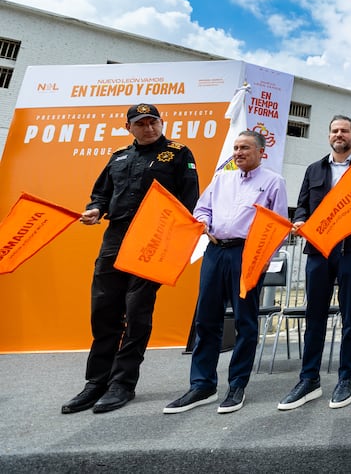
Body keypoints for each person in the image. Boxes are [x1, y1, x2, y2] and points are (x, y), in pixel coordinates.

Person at [62, 103, 200, 414]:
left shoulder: (178, 154)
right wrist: (96, 209)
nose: (149, 128)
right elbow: (101, 194)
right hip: (116, 237)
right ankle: (96, 382)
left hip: (152, 240)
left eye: (153, 122)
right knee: (103, 310)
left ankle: (122, 383)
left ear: (161, 123)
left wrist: (173, 242)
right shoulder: (119, 157)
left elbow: (189, 201)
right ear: (129, 128)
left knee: (136, 312)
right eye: (141, 124)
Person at [164, 130, 288, 414]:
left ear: (261, 152)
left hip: (247, 254)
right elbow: (202, 209)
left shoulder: (273, 182)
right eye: (236, 147)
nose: (238, 153)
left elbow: (279, 224)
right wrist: (204, 223)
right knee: (206, 319)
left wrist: (265, 257)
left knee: (245, 321)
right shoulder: (222, 178)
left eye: (245, 148)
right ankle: (202, 385)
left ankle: (237, 385)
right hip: (215, 251)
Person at [278, 116, 351, 410]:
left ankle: (345, 379)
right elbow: (302, 204)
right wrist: (300, 220)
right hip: (319, 251)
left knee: (350, 318)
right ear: (329, 136)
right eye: (335, 131)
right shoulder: (314, 169)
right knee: (314, 317)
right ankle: (309, 379)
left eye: (344, 131)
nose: (339, 134)